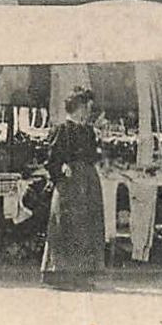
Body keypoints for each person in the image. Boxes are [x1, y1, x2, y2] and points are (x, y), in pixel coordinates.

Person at [40, 88, 105, 290]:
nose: (89, 113)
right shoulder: (61, 130)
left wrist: (99, 142)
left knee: (87, 227)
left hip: (88, 183)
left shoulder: (88, 131)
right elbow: (50, 160)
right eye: (87, 108)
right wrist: (61, 169)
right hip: (69, 186)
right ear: (79, 108)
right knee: (66, 226)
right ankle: (61, 274)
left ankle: (82, 275)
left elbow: (94, 157)